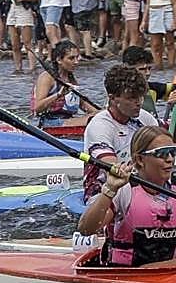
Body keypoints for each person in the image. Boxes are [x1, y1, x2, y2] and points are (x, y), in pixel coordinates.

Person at [78, 126, 176, 267]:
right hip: (124, 273)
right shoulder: (124, 191)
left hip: (167, 272)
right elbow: (86, 229)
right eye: (162, 153)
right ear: (140, 159)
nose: (170, 159)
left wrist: (159, 267)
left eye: (173, 152)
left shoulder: (174, 190)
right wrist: (109, 190)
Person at [81, 65, 157, 201]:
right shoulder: (99, 126)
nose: (139, 102)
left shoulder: (145, 118)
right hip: (103, 192)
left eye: (141, 96)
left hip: (141, 187)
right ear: (112, 98)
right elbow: (113, 168)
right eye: (131, 98)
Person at [32, 40, 98, 128]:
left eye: (77, 57)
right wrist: (59, 95)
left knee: (99, 116)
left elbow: (84, 105)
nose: (76, 62)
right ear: (59, 60)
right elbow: (37, 108)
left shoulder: (71, 79)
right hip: (49, 123)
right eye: (71, 58)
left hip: (67, 120)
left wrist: (104, 113)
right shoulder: (47, 77)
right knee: (93, 120)